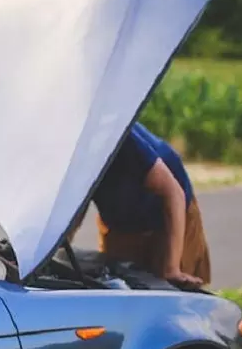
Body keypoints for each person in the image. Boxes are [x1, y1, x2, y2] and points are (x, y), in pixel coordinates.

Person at [71, 122, 211, 287]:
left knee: (170, 288)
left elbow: (173, 193)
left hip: (169, 214)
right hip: (120, 223)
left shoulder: (121, 140)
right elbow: (75, 205)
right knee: (118, 285)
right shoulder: (68, 153)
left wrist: (172, 268)